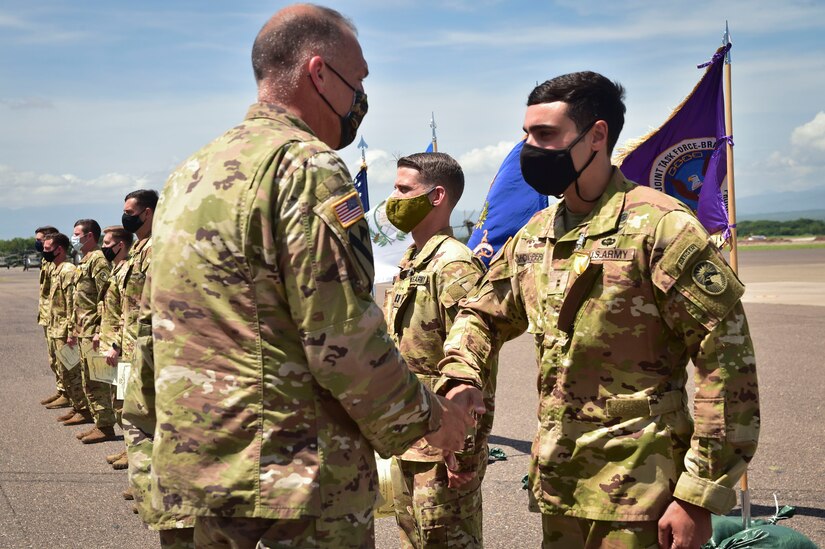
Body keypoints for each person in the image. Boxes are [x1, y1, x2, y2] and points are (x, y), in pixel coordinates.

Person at [147, 5, 482, 548]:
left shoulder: (191, 172)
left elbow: (156, 322)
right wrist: (429, 419)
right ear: (319, 72)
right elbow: (342, 338)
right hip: (297, 480)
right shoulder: (306, 167)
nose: (360, 100)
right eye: (360, 80)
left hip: (203, 468)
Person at [437, 71, 760, 549]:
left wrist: (699, 495)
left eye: (545, 135)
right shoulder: (536, 234)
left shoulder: (661, 228)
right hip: (561, 485)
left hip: (644, 490)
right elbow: (482, 313)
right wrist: (461, 373)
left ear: (597, 135)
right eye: (526, 134)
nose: (530, 147)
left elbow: (727, 364)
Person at [382, 153, 492, 548]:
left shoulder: (455, 266)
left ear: (437, 196)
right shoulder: (414, 260)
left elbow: (476, 367)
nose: (393, 197)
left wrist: (465, 454)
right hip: (410, 438)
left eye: (404, 189)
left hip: (442, 447)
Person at [67, 219, 117, 443]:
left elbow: (105, 296)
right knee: (88, 378)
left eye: (77, 234)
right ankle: (98, 422)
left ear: (89, 236)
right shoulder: (84, 259)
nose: (73, 237)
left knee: (99, 380)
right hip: (83, 329)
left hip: (93, 331)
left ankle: (106, 426)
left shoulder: (98, 259)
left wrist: (98, 329)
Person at [97, 226, 134, 469]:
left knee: (125, 401)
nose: (104, 248)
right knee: (117, 399)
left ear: (120, 245)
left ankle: (135, 454)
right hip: (111, 344)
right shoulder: (117, 269)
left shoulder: (130, 270)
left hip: (121, 348)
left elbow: (129, 313)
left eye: (108, 243)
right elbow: (108, 309)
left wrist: (116, 344)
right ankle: (129, 450)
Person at [42, 233, 86, 422]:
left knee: (72, 371)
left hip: (64, 331)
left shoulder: (68, 270)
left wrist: (71, 332)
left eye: (47, 249)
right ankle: (77, 407)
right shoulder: (55, 268)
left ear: (59, 249)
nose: (44, 252)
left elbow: (71, 304)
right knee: (62, 370)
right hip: (55, 328)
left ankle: (83, 410)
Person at [35, 225, 65, 408]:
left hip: (57, 317)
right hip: (48, 315)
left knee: (63, 358)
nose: (37, 244)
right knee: (53, 357)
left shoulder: (59, 264)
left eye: (40, 240)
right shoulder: (47, 261)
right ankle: (62, 390)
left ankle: (68, 393)